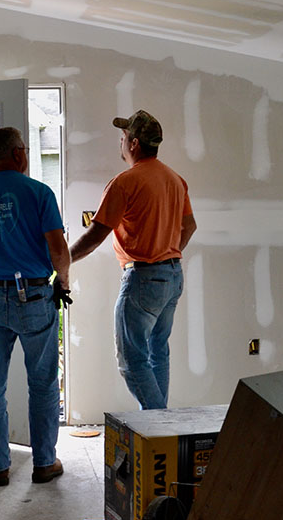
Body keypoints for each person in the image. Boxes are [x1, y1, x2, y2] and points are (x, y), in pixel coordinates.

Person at [0, 126, 72, 487]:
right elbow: (58, 250)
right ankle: (44, 464)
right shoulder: (38, 192)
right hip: (34, 296)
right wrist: (62, 282)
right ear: (19, 153)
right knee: (43, 384)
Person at [69, 110, 196, 410]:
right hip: (173, 276)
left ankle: (159, 423)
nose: (121, 141)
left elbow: (95, 235)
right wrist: (167, 251)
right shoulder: (175, 179)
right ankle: (159, 432)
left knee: (131, 360)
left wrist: (62, 261)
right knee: (157, 352)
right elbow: (189, 226)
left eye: (124, 137)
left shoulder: (125, 182)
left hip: (143, 280)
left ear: (134, 143)